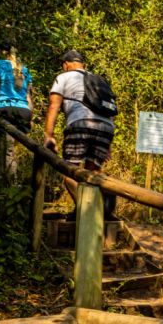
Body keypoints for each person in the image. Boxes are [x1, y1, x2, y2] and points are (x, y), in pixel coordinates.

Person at [43, 50, 117, 220]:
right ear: (83, 64)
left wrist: (49, 135)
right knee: (93, 173)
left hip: (80, 124)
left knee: (70, 172)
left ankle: (88, 213)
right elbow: (108, 111)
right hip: (106, 128)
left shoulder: (64, 77)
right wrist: (108, 145)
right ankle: (99, 209)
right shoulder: (99, 80)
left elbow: (54, 105)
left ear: (66, 64)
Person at [0, 40, 34, 182]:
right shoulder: (24, 69)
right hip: (23, 111)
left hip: (5, 108)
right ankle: (12, 182)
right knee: (10, 149)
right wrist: (30, 118)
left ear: (1, 52)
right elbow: (29, 96)